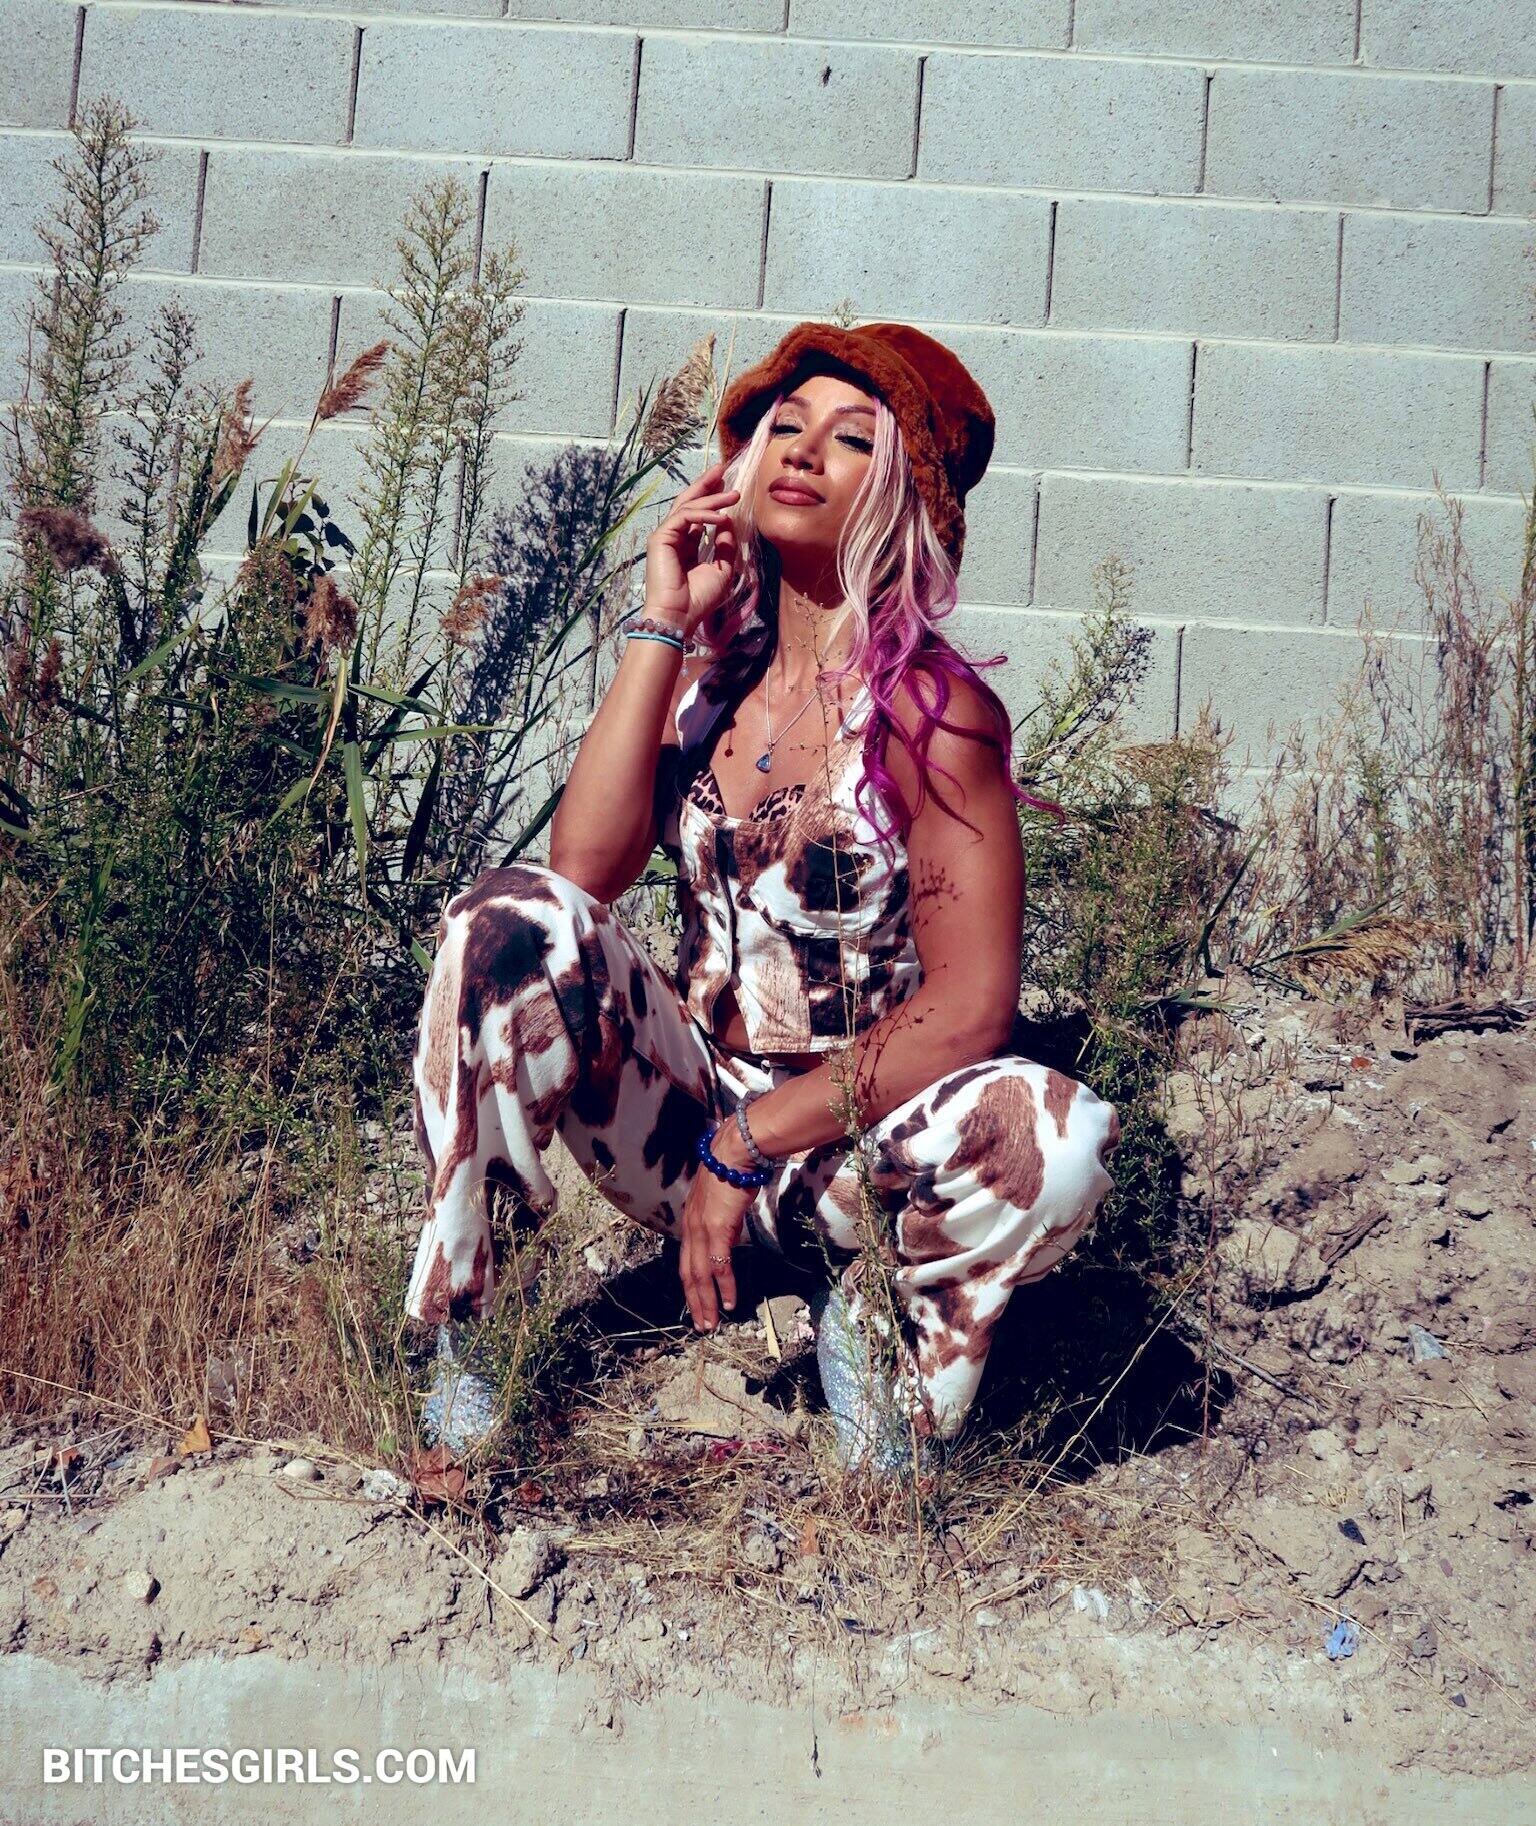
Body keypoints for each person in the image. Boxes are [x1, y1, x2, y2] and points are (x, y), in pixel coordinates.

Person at [405, 320, 1119, 1473]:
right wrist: (664, 620)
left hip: (855, 1141)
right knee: (503, 923)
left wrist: (754, 1141)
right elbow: (581, 873)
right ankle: (470, 1341)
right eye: (785, 426)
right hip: (687, 1118)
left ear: (903, 495)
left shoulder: (934, 715)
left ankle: (877, 1317)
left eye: (850, 439)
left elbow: (972, 1007)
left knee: (1059, 1135)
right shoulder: (714, 685)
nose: (801, 450)